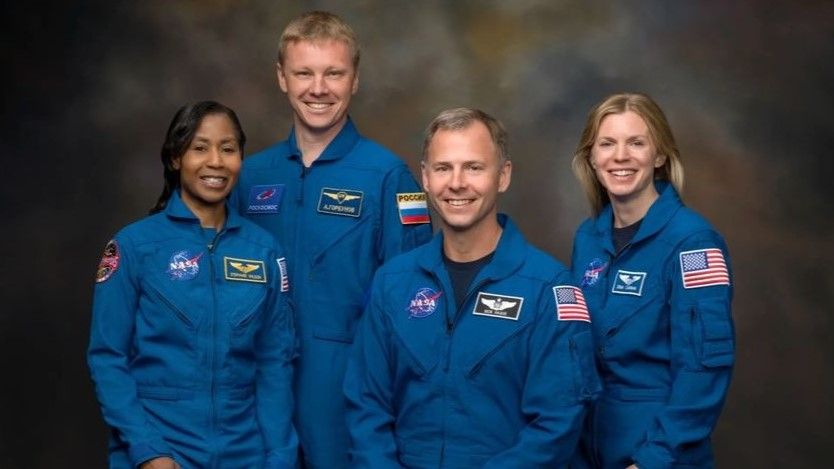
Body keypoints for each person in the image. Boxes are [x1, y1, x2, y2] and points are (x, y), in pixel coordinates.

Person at [344, 108, 600, 467]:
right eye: (443, 167)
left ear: (503, 175)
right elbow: (366, 405)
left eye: (474, 167)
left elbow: (558, 422)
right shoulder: (392, 283)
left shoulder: (548, 290)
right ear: (426, 178)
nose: (457, 183)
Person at [232, 11, 432, 468]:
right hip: (257, 396)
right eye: (304, 73)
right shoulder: (250, 177)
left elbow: (417, 306)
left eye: (333, 74)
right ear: (282, 77)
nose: (318, 89)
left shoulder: (389, 178)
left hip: (348, 400)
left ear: (355, 80)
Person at [88, 101, 297, 469]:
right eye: (200, 148)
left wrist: (279, 457)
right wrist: (147, 449)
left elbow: (274, 364)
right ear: (174, 158)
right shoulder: (134, 247)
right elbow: (108, 358)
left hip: (243, 452)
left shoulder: (264, 251)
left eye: (228, 149)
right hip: (161, 449)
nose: (216, 161)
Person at [569, 93, 735, 469]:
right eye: (607, 144)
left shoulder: (693, 243)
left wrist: (653, 459)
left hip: (659, 452)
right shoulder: (587, 239)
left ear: (659, 156)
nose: (620, 156)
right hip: (588, 449)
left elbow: (704, 368)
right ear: (592, 158)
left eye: (636, 143)